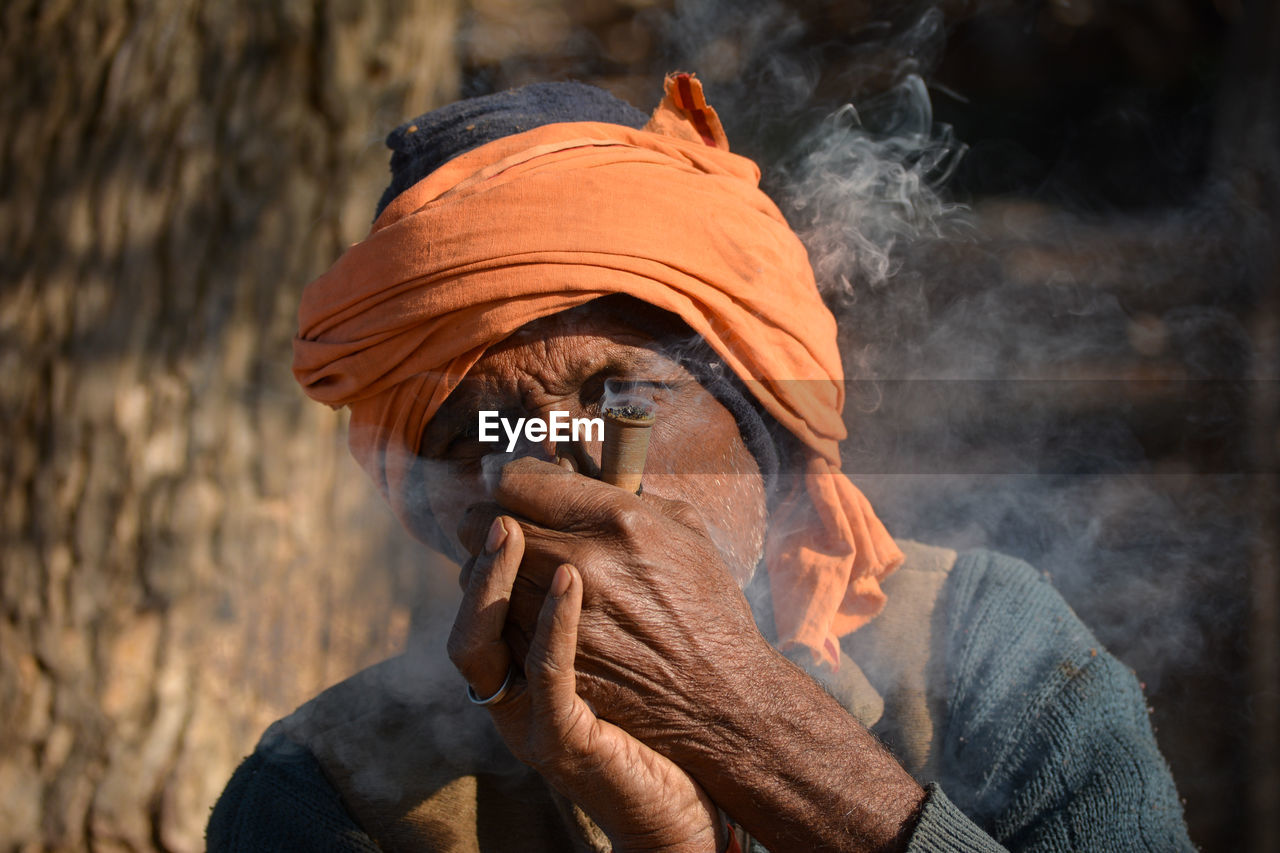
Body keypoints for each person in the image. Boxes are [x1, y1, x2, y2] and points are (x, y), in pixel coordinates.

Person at [207, 75, 1194, 852]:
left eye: (625, 400)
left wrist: (742, 724)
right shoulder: (328, 788)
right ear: (432, 507)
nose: (570, 468)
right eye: (483, 434)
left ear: (756, 422)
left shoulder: (985, 650)